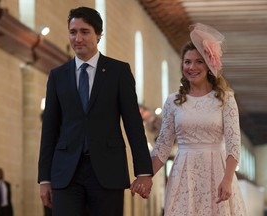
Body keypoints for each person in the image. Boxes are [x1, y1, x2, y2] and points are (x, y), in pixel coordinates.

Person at [38, 6, 153, 216]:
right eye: (73, 32)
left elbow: (133, 125)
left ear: (98, 35)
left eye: (85, 32)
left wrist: (144, 172)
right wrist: (44, 178)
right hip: (66, 172)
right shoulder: (57, 76)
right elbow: (49, 130)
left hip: (108, 171)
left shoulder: (119, 72)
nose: (78, 38)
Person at [131, 23, 247, 215]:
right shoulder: (173, 101)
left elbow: (234, 144)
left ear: (209, 64)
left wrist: (227, 179)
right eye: (187, 62)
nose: (192, 67)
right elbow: (163, 146)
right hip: (183, 173)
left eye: (199, 61)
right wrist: (145, 176)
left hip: (217, 172)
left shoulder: (225, 98)